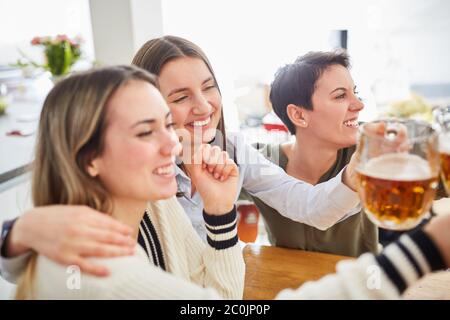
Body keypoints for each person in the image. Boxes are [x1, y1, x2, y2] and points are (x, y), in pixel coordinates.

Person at [1, 36, 364, 277]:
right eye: (181, 97)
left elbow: (308, 207)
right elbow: (22, 268)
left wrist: (355, 173)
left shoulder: (231, 148)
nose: (204, 106)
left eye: (208, 88)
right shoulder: (129, 169)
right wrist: (20, 232)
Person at [13, 65, 245, 299]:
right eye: (145, 132)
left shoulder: (157, 206)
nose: (173, 146)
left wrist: (220, 211)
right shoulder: (99, 267)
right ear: (89, 158)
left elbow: (222, 296)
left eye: (167, 125)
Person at [240, 51, 378, 257]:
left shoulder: (371, 148)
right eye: (341, 95)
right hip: (287, 284)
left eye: (355, 92)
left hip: (360, 285)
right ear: (298, 115)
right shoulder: (261, 163)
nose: (359, 105)